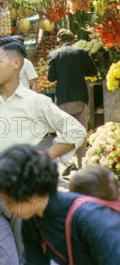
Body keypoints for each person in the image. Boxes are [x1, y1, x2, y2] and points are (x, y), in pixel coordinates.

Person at [0, 36, 87, 265]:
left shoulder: (36, 102)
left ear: (16, 63)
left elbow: (76, 131)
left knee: (28, 257)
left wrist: (47, 156)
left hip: (24, 195)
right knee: (4, 260)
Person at [0, 144, 120, 265]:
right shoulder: (32, 221)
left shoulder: (90, 217)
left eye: (8, 201)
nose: (7, 208)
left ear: (29, 191)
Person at [48, 28, 98, 170]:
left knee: (65, 133)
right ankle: (81, 164)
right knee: (81, 131)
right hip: (80, 98)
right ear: (73, 40)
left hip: (63, 99)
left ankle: (68, 164)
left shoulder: (54, 55)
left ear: (59, 41)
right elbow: (94, 71)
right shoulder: (82, 53)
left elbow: (51, 77)